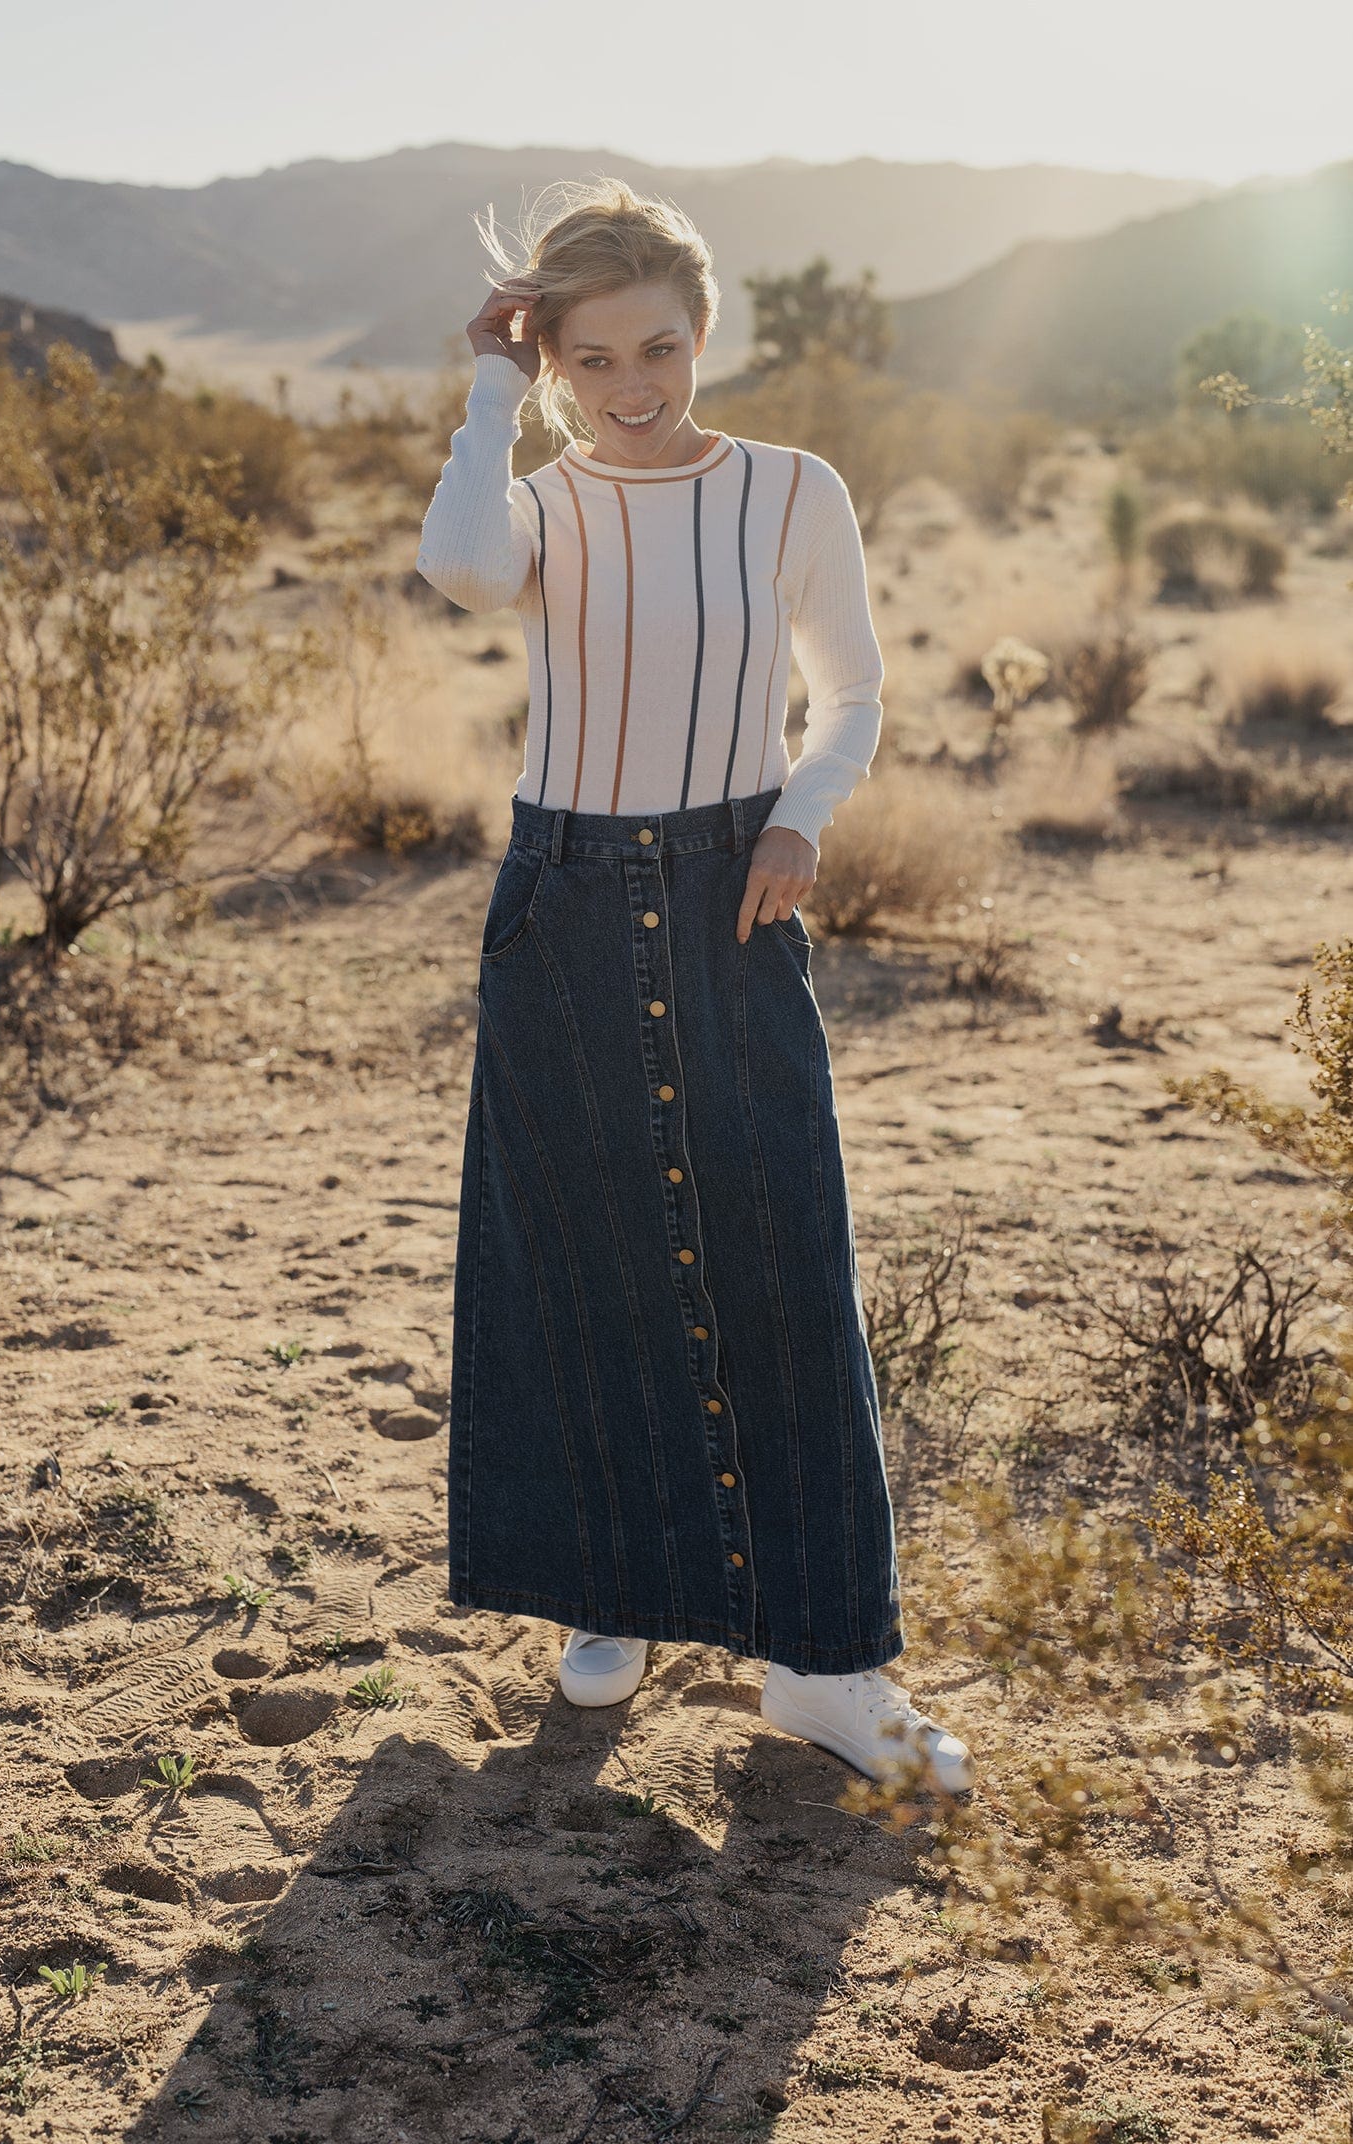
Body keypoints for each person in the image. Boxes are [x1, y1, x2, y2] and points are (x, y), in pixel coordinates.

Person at [416, 177, 972, 1796]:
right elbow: (458, 566)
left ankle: (825, 1667)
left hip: (736, 879)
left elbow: (851, 693)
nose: (633, 388)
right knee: (576, 1254)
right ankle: (612, 1596)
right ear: (553, 361)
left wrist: (799, 820)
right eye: (590, 360)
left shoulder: (794, 493)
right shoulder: (544, 500)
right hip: (565, 894)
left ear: (704, 328)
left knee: (782, 1257)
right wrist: (486, 389)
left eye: (657, 348)